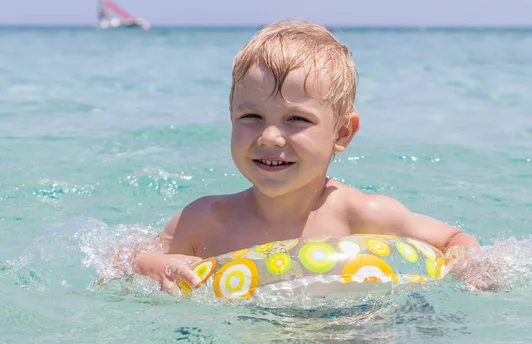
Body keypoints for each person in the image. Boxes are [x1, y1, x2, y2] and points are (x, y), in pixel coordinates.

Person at [118, 20, 496, 295]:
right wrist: (154, 265)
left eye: (296, 119)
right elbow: (126, 258)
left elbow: (453, 238)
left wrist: (473, 269)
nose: (269, 136)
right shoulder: (205, 220)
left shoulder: (364, 216)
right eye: (251, 117)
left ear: (342, 133)